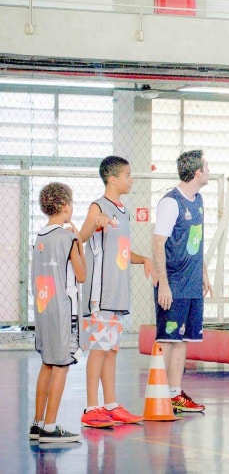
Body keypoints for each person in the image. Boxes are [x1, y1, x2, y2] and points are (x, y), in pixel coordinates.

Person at [78, 156, 155, 428]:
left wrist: (144, 258)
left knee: (111, 350)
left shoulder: (124, 211)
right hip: (100, 293)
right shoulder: (97, 206)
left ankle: (110, 405)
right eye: (127, 175)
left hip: (119, 295)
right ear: (113, 178)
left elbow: (121, 250)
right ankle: (91, 408)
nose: (131, 179)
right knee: (98, 350)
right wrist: (94, 221)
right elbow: (82, 237)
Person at [152, 149, 212, 412]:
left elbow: (196, 240)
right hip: (173, 285)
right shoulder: (170, 203)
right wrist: (163, 283)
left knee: (182, 340)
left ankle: (175, 394)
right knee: (168, 339)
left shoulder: (198, 200)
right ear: (197, 172)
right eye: (206, 167)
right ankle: (158, 395)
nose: (208, 171)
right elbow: (157, 243)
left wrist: (204, 274)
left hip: (192, 285)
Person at [30, 182, 86, 443]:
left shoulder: (40, 236)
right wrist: (79, 242)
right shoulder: (68, 238)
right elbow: (82, 275)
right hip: (64, 311)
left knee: (47, 364)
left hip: (43, 310)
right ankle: (50, 428)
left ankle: (37, 424)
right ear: (65, 206)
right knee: (61, 364)